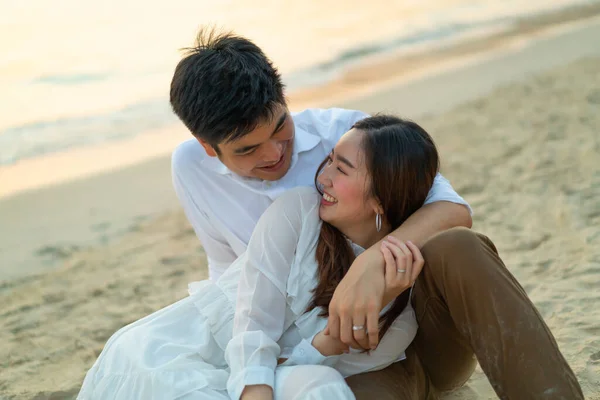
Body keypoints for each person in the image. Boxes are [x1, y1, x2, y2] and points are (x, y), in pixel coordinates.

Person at [167, 30, 583, 399]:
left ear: (284, 98)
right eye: (247, 150)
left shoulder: (349, 136)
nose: (274, 153)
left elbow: (453, 209)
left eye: (280, 127)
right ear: (209, 148)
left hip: (422, 328)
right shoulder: (192, 169)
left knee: (459, 246)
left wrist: (372, 260)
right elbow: (227, 268)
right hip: (337, 360)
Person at [78, 115, 441, 399]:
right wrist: (256, 392)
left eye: (341, 169)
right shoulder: (297, 212)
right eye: (329, 160)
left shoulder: (398, 323)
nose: (324, 177)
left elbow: (292, 366)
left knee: (323, 387)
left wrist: (330, 341)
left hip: (267, 375)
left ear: (382, 198)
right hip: (180, 353)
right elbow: (253, 323)